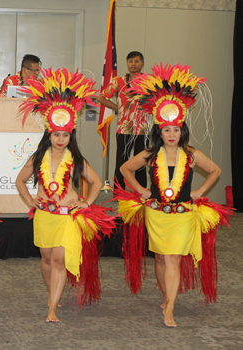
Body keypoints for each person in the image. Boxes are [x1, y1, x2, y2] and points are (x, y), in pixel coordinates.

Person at [115, 63, 232, 327]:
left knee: (173, 259)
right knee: (160, 257)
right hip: (157, 213)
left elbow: (215, 171)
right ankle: (165, 294)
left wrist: (200, 190)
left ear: (182, 131)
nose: (171, 134)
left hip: (182, 214)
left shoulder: (191, 154)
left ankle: (170, 309)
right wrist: (142, 190)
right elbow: (125, 169)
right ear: (159, 131)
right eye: (167, 130)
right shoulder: (149, 154)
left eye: (176, 129)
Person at [15, 68, 116, 323]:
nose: (61, 139)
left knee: (59, 259)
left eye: (65, 135)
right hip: (44, 215)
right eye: (57, 134)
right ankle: (53, 295)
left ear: (70, 135)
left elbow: (95, 183)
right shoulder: (38, 157)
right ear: (49, 134)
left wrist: (86, 202)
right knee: (47, 259)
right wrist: (30, 201)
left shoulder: (77, 159)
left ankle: (52, 308)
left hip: (67, 216)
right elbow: (20, 181)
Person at [97, 51, 148, 189]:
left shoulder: (149, 82)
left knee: (142, 163)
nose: (133, 64)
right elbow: (101, 98)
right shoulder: (119, 81)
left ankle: (142, 193)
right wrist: (118, 108)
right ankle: (119, 192)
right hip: (124, 129)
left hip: (143, 129)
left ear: (142, 63)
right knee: (121, 161)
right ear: (127, 63)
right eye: (130, 61)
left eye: (136, 61)